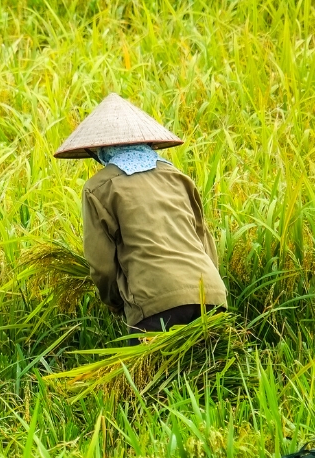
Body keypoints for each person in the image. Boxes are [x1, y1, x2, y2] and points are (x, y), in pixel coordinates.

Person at [54, 93, 227, 333]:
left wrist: (119, 304)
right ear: (146, 142)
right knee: (212, 369)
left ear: (101, 148)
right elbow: (205, 242)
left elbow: (102, 265)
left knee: (150, 371)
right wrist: (210, 291)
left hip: (155, 301)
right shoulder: (178, 178)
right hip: (210, 294)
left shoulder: (98, 187)